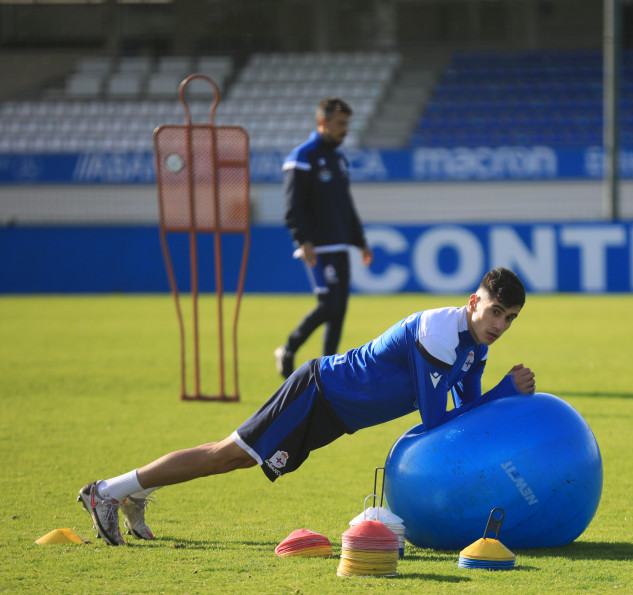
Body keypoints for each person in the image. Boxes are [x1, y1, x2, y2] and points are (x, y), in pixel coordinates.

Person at [77, 267, 536, 546]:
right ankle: (109, 491)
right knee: (227, 456)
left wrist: (496, 395)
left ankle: (135, 492)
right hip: (318, 392)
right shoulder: (439, 332)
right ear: (475, 301)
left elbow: (470, 417)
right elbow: (436, 422)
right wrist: (504, 392)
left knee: (229, 456)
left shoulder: (474, 349)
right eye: (495, 311)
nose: (501, 324)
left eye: (510, 319)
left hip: (335, 414)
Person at [275, 97, 374, 379]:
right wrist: (302, 239)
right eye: (340, 124)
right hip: (317, 246)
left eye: (347, 124)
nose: (345, 130)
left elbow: (346, 204)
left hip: (340, 243)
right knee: (329, 305)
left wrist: (360, 241)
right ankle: (289, 348)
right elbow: (293, 205)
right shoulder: (302, 157)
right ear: (323, 123)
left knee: (339, 309)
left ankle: (326, 371)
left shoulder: (339, 159)